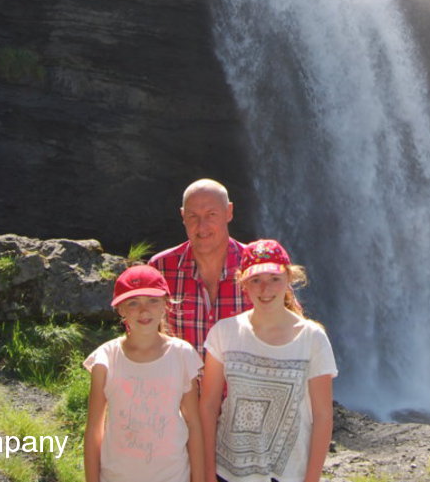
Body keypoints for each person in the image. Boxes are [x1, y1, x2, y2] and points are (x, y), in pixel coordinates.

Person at [200, 239, 336, 482]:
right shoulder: (224, 332)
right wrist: (208, 473)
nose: (265, 289)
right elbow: (209, 405)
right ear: (243, 283)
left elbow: (323, 415)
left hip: (288, 474)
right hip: (228, 472)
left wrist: (312, 479)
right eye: (256, 280)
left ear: (289, 278)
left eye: (274, 279)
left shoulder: (312, 338)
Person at [82, 264, 207, 482]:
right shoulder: (105, 359)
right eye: (133, 303)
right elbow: (94, 430)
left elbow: (194, 425)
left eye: (152, 300)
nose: (144, 310)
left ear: (165, 304)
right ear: (120, 309)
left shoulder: (182, 354)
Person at [149, 178, 251, 355]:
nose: (202, 226)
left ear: (229, 212)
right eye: (193, 216)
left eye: (211, 214)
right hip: (180, 374)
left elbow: (290, 327)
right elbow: (140, 337)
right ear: (183, 216)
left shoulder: (256, 266)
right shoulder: (160, 269)